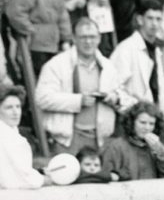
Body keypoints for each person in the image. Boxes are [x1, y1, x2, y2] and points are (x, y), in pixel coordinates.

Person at [35, 17, 125, 156]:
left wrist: (113, 98)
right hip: (67, 141)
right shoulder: (56, 65)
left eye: (92, 37)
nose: (88, 42)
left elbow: (123, 96)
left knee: (98, 178)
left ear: (99, 39)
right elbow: (42, 98)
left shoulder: (108, 67)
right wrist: (78, 101)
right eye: (83, 37)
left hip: (101, 140)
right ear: (74, 39)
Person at [6, 0, 72, 76]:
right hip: (35, 44)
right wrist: (30, 30)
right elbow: (15, 12)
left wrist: (66, 39)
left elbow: (63, 16)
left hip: (54, 42)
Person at [110, 0, 164, 114]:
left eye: (158, 19)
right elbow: (113, 87)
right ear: (140, 19)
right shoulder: (126, 48)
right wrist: (135, 107)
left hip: (153, 116)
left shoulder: (156, 49)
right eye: (150, 18)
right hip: (131, 116)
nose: (154, 23)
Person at [101, 101, 164, 180]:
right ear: (132, 122)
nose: (147, 128)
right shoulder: (117, 146)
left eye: (151, 124)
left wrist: (161, 151)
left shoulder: (157, 145)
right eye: (143, 123)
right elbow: (106, 175)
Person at [0, 85, 49, 189]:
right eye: (9, 107)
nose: (15, 112)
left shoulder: (12, 132)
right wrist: (45, 180)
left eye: (18, 106)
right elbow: (23, 178)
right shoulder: (7, 137)